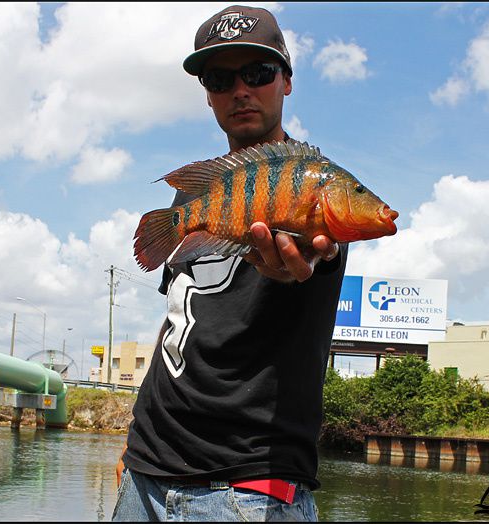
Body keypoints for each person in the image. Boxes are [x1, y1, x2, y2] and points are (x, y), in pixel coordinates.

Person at [112, 5, 347, 521]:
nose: (240, 90)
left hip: (247, 489)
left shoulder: (315, 194)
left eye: (258, 73)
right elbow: (181, 315)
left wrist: (296, 264)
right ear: (208, 94)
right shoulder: (196, 199)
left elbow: (312, 260)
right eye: (220, 78)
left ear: (286, 80)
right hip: (146, 472)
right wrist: (134, 446)